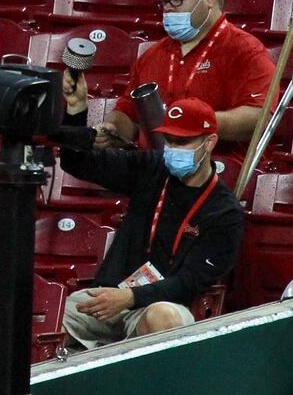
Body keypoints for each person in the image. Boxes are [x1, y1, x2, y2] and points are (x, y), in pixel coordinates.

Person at [54, 97, 244, 349]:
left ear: (209, 142)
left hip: (166, 303)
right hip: (112, 295)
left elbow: (189, 283)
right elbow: (77, 162)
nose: (173, 148)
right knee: (44, 316)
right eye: (170, 141)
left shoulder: (224, 212)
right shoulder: (152, 167)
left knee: (162, 318)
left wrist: (131, 297)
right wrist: (76, 111)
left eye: (183, 142)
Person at [70, 0, 275, 150]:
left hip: (216, 168)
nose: (168, 9)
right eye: (165, 1)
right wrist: (112, 128)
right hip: (155, 168)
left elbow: (259, 118)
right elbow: (129, 112)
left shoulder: (245, 50)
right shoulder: (152, 55)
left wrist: (193, 120)